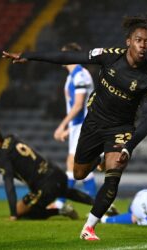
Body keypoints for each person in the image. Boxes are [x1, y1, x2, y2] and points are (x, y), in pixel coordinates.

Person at [2, 13, 147, 240]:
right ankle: (98, 160)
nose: (143, 45)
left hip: (120, 129)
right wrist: (29, 56)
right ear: (128, 41)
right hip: (94, 123)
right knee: (79, 173)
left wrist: (129, 145)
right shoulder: (108, 56)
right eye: (139, 39)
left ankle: (89, 227)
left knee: (114, 171)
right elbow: (67, 56)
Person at [0, 124, 95, 220]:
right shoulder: (11, 138)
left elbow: (9, 185)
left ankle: (60, 210)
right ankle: (100, 205)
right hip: (56, 173)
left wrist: (13, 214)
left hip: (44, 185)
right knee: (65, 192)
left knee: (21, 212)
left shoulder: (2, 158)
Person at [51, 43, 96, 209]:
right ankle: (96, 202)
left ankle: (61, 203)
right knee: (80, 165)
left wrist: (62, 126)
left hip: (85, 125)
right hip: (78, 125)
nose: (60, 57)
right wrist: (70, 128)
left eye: (63, 54)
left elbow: (78, 105)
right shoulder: (71, 76)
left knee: (73, 162)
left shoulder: (80, 75)